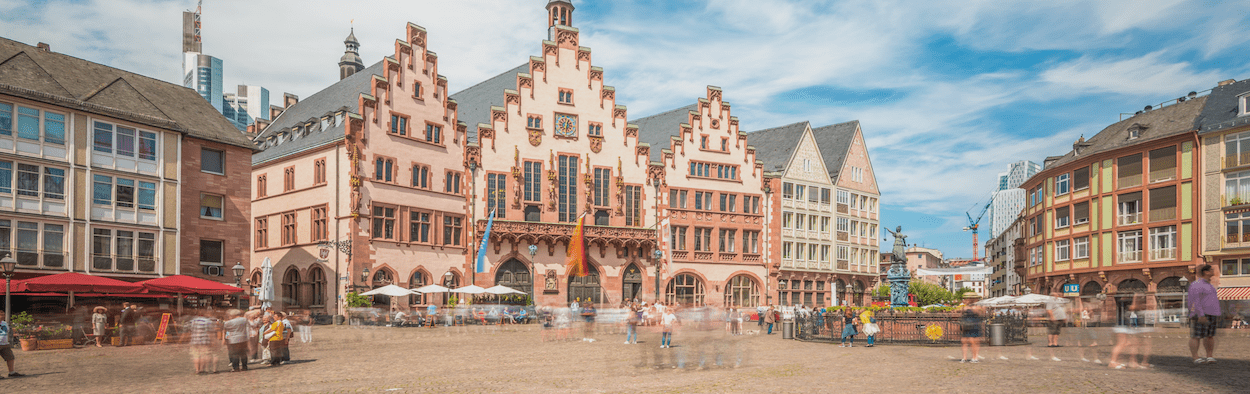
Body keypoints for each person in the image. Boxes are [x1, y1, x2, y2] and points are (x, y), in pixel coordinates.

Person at [1188, 264, 1221, 365]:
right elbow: (1195, 300)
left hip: (1212, 314)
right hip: (1200, 314)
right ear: (1206, 272)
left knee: (1210, 336)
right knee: (1196, 336)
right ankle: (1195, 357)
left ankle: (1209, 356)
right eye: (1211, 270)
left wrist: (1217, 313)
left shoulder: (1209, 285)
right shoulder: (1197, 284)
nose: (1213, 271)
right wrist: (1200, 314)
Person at [188, 308, 218, 374]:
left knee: (196, 355)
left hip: (194, 340)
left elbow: (190, 330)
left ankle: (197, 369)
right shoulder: (207, 321)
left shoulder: (193, 321)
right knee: (203, 355)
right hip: (205, 340)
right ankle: (201, 369)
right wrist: (213, 340)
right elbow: (210, 332)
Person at [959, 294, 984, 362]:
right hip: (966, 325)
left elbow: (981, 314)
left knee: (973, 342)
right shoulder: (964, 307)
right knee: (964, 341)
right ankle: (964, 357)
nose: (964, 300)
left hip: (974, 325)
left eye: (965, 299)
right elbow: (962, 315)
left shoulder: (978, 306)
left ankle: (975, 357)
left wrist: (975, 309)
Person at [1045, 293, 1068, 361]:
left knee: (1057, 332)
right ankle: (1050, 343)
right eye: (1056, 295)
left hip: (1060, 318)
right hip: (1054, 318)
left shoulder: (1058, 301)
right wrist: (1052, 316)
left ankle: (1055, 343)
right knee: (1052, 331)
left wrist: (1064, 317)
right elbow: (1048, 310)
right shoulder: (1050, 300)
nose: (1058, 295)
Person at [0, 308, 22, 378]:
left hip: (5, 344)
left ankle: (11, 372)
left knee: (10, 358)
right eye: (1, 315)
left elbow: (7, 333)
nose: (3, 316)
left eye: (3, 315)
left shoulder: (4, 323)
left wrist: (8, 341)